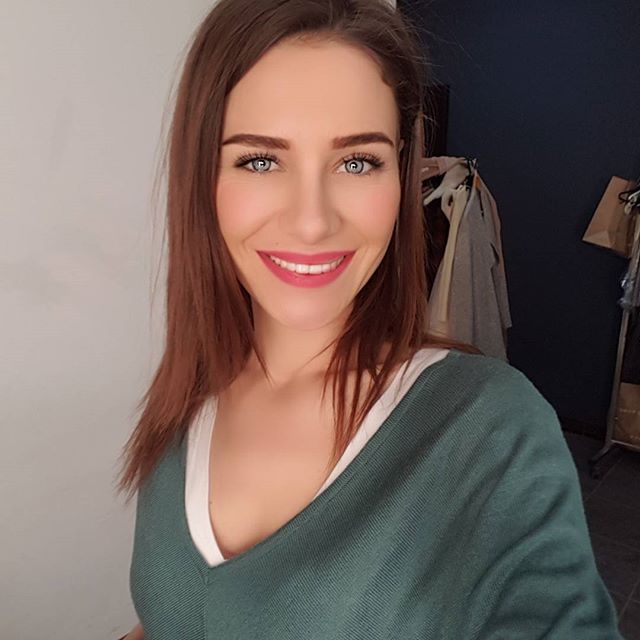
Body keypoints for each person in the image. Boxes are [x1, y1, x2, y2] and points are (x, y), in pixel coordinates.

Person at [116, 1, 622, 638]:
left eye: (357, 162)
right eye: (260, 160)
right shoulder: (189, 397)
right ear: (202, 176)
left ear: (402, 172)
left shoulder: (487, 429)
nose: (312, 222)